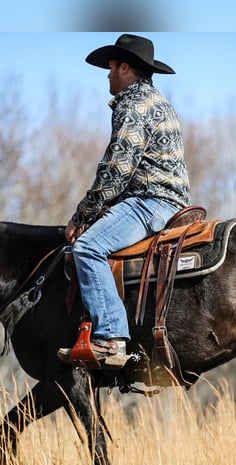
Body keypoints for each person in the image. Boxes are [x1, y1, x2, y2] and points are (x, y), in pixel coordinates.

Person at [58, 34, 191, 367]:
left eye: (112, 67)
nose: (107, 74)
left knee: (87, 248)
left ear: (126, 68)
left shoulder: (133, 106)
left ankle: (111, 339)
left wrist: (81, 215)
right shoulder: (160, 102)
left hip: (150, 201)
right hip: (171, 201)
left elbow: (118, 168)